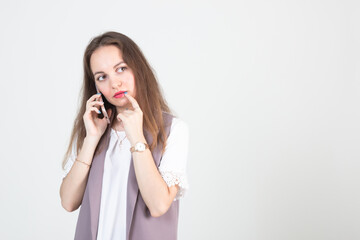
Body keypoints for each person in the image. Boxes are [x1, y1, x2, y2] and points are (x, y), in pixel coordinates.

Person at [59, 31, 189, 240]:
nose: (114, 84)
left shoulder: (173, 129)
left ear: (138, 68)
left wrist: (137, 137)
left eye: (121, 69)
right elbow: (68, 201)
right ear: (96, 85)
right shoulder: (94, 127)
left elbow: (158, 205)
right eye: (102, 77)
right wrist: (92, 138)